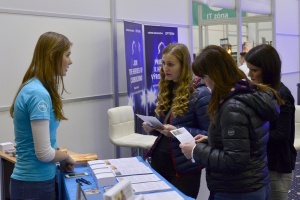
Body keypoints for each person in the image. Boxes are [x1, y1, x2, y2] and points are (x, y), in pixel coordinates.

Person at [180, 45, 282, 200]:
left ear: (214, 75)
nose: (203, 82)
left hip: (237, 191)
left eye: (203, 77)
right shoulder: (247, 92)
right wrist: (211, 140)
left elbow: (235, 160)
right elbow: (247, 140)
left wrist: (195, 151)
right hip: (253, 184)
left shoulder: (232, 106)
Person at [9, 32, 76, 200]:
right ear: (53, 56)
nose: (70, 61)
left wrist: (59, 157)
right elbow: (44, 153)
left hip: (35, 183)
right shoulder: (38, 93)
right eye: (67, 55)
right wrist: (66, 156)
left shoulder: (34, 87)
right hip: (34, 186)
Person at [142, 43, 211, 198]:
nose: (165, 68)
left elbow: (209, 134)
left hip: (184, 168)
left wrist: (177, 131)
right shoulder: (168, 88)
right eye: (164, 63)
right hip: (161, 160)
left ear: (184, 66)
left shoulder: (201, 93)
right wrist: (153, 127)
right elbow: (164, 126)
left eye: (171, 64)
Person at [245, 44, 297, 200]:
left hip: (276, 166)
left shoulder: (282, 94)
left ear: (268, 70)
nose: (250, 74)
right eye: (249, 69)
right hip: (261, 163)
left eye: (254, 70)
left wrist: (250, 135)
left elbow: (281, 135)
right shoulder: (260, 90)